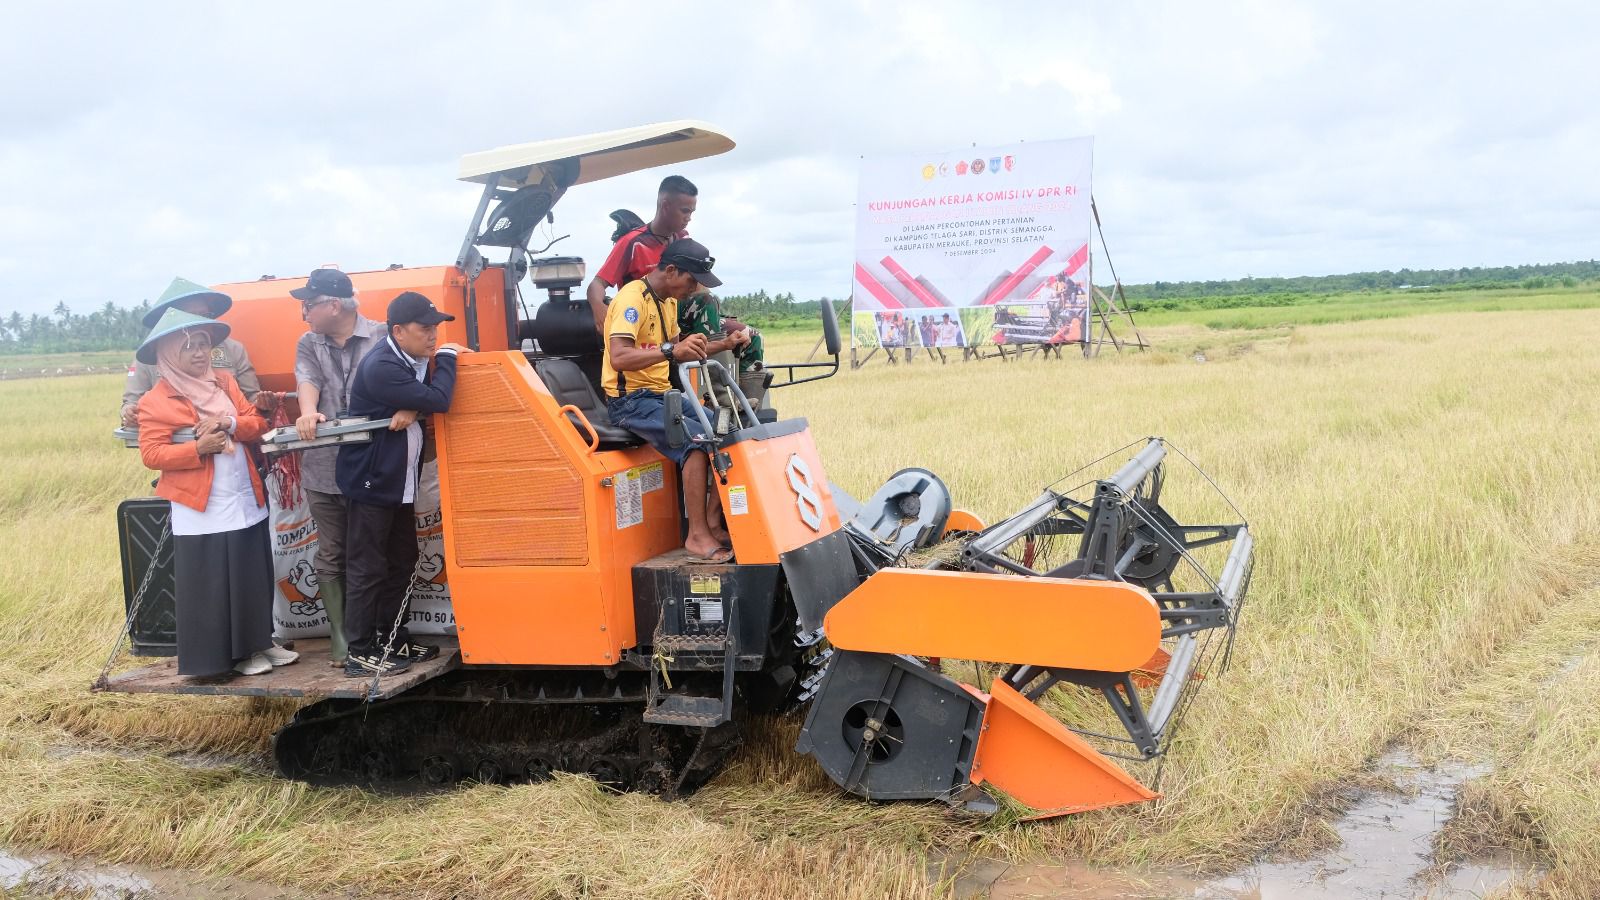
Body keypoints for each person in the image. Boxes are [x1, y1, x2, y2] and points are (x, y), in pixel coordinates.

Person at [135, 305, 295, 677]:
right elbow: (151, 453)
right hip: (202, 505)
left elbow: (255, 424)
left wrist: (228, 421)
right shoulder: (156, 401)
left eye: (203, 344)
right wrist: (197, 449)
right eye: (187, 346)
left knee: (251, 570)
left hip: (243, 492)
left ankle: (259, 643)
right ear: (168, 354)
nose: (198, 353)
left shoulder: (223, 382)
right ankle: (235, 655)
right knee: (216, 581)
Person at [336, 291, 467, 677]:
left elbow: (426, 399)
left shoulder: (410, 360)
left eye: (436, 329)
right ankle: (359, 650)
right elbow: (441, 399)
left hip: (398, 482)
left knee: (403, 560)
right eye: (425, 329)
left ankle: (393, 637)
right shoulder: (382, 365)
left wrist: (416, 404)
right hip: (371, 482)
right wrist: (446, 359)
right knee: (367, 566)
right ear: (398, 330)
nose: (433, 336)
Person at [600, 239, 729, 562]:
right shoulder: (632, 299)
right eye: (691, 279)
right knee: (695, 442)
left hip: (660, 394)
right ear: (671, 270)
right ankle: (697, 535)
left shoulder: (668, 300)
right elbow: (619, 357)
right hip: (630, 400)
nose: (695, 287)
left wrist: (725, 342)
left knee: (723, 431)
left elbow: (677, 349)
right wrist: (673, 350)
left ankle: (713, 521)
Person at [290, 268, 387, 667]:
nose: (304, 314)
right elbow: (306, 379)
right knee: (331, 551)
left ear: (333, 305)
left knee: (371, 550)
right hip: (323, 466)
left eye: (308, 305)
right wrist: (309, 414)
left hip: (373, 467)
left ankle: (378, 632)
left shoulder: (383, 335)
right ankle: (341, 637)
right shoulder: (308, 342)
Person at [122, 277, 266, 427]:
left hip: (229, 436)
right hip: (175, 442)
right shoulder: (151, 355)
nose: (199, 320)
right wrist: (128, 412)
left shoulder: (234, 350)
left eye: (205, 315)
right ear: (172, 318)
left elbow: (252, 401)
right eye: (191, 315)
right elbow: (131, 403)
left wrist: (262, 405)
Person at [585, 175, 698, 331]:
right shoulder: (633, 243)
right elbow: (596, 284)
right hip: (644, 315)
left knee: (741, 333)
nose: (689, 218)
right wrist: (598, 308)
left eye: (691, 212)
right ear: (665, 206)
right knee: (705, 300)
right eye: (685, 211)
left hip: (673, 313)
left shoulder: (681, 239)